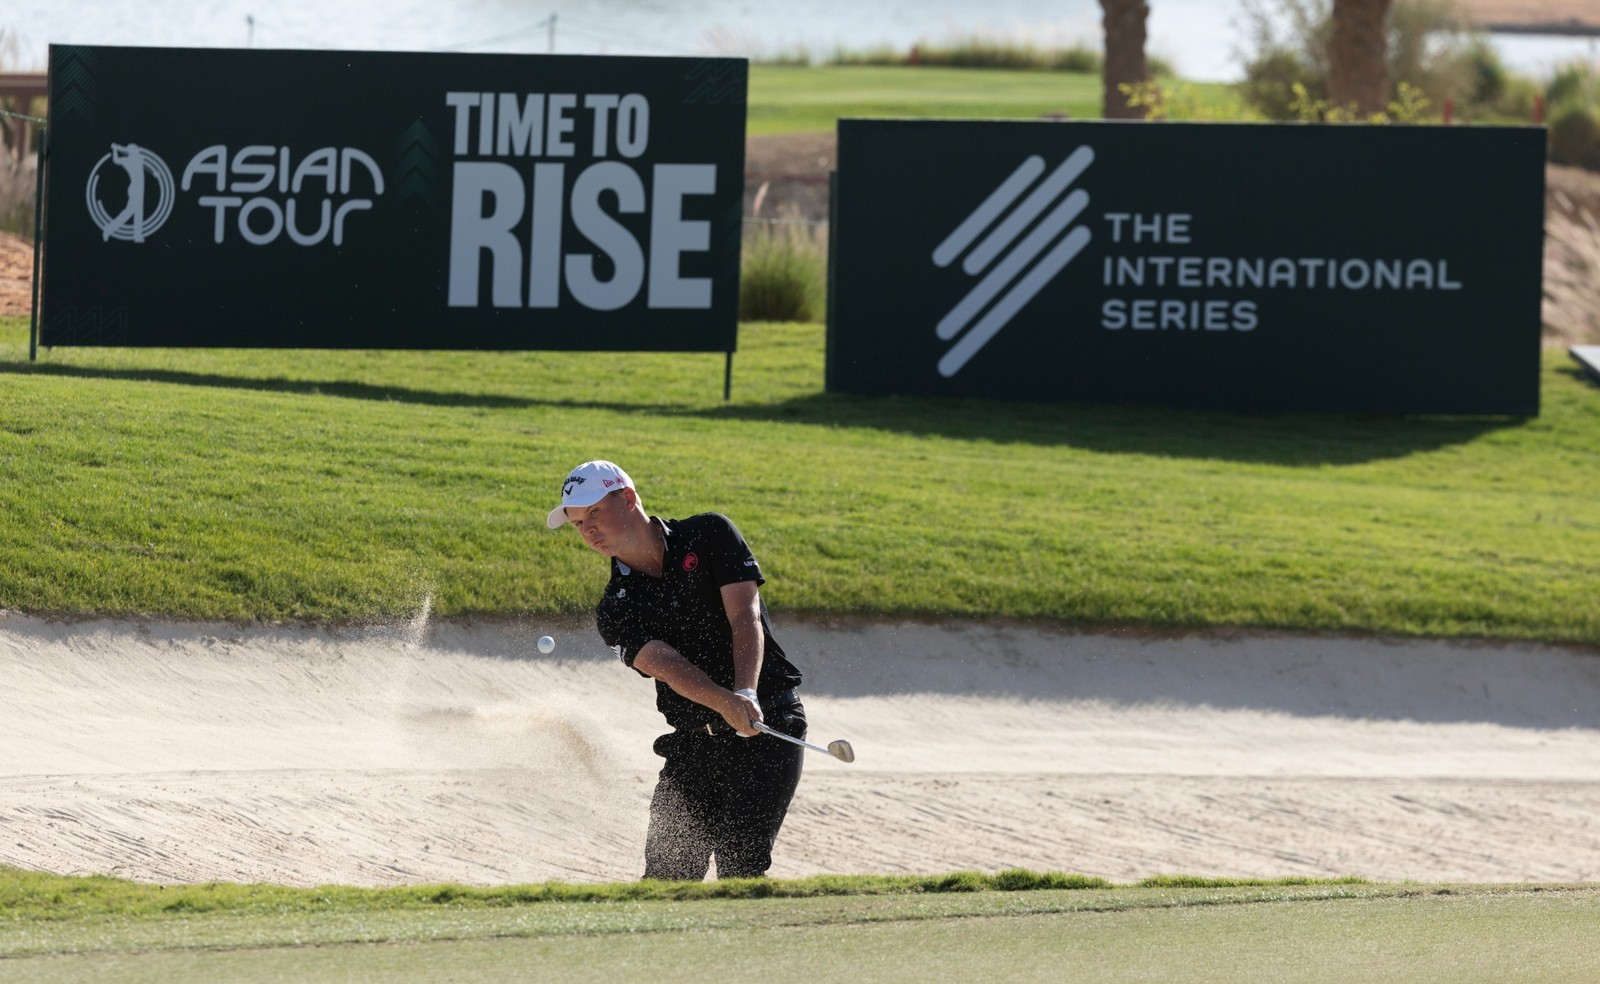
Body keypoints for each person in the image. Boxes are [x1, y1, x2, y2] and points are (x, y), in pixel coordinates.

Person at [548, 459, 806, 881]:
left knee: (741, 870)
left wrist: (745, 693)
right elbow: (668, 667)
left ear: (628, 498)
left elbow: (745, 616)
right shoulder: (616, 607)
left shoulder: (709, 534)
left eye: (594, 512)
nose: (588, 530)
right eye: (577, 523)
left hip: (768, 723)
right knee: (667, 877)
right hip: (693, 743)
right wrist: (724, 701)